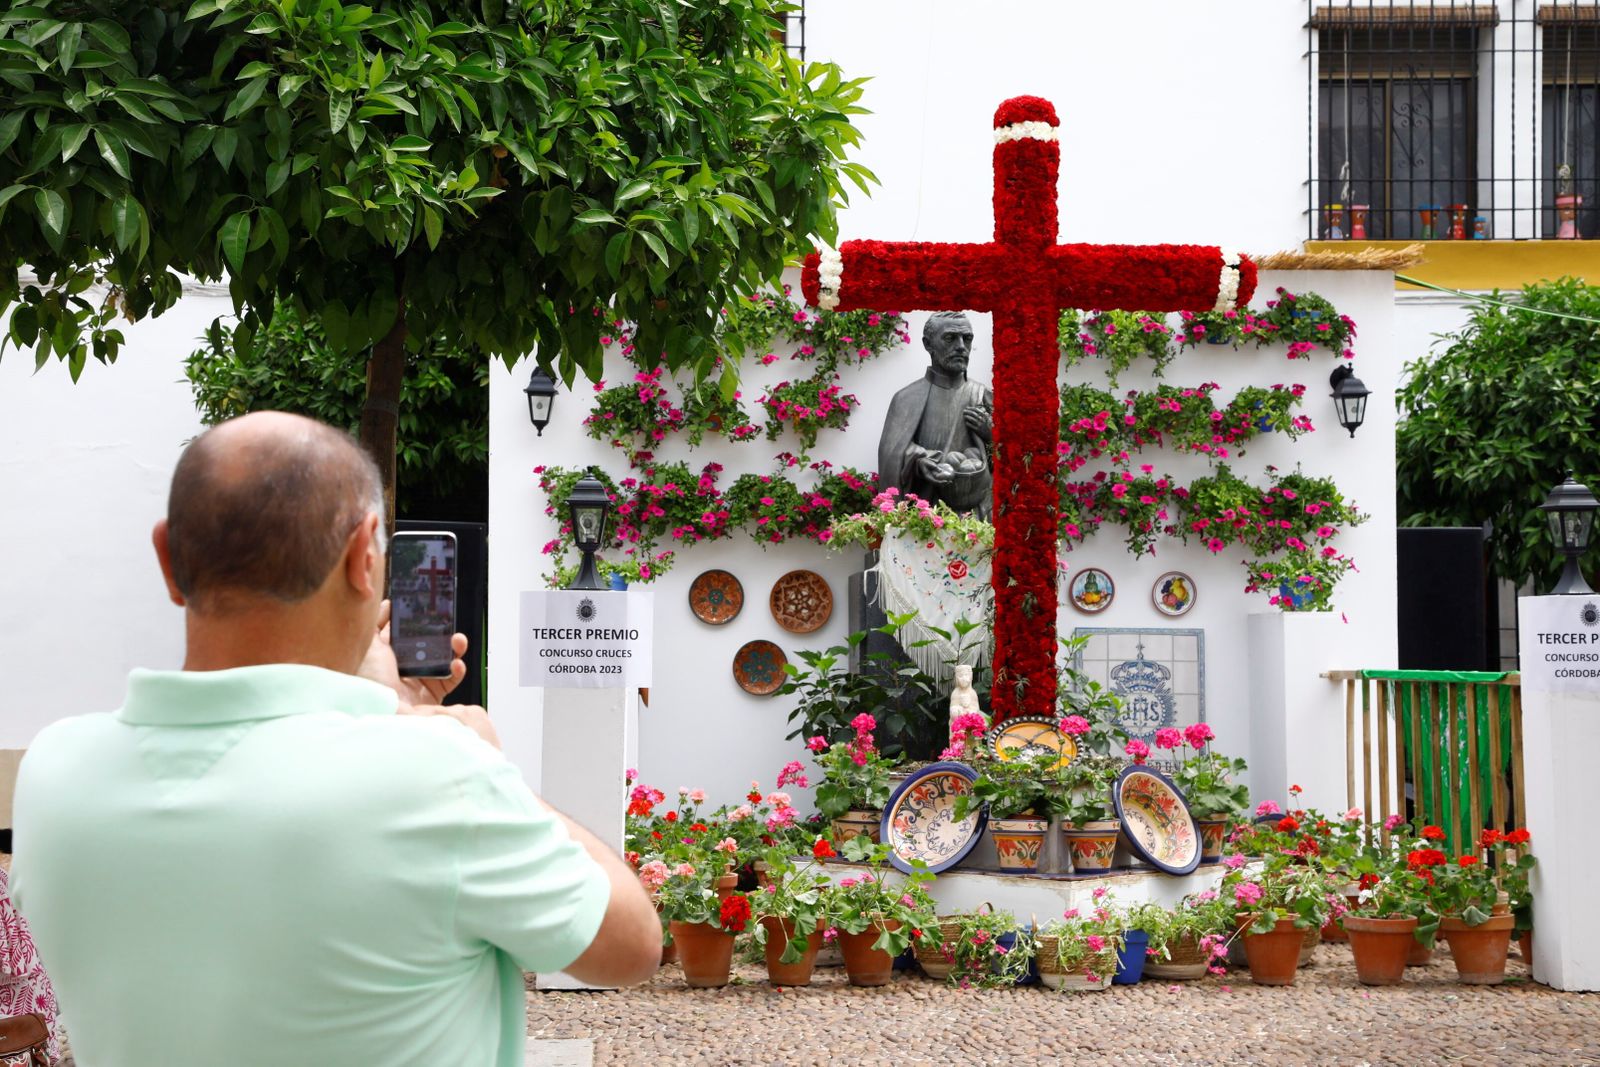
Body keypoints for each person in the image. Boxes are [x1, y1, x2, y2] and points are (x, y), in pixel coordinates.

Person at [9, 412, 660, 1067]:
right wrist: (448, 741)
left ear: (168, 558)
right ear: (366, 554)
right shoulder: (438, 772)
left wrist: (380, 712)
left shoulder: (54, 773)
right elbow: (633, 946)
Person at [876, 311, 994, 516]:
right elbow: (891, 455)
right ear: (928, 344)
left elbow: (1010, 463)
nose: (961, 346)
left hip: (978, 519)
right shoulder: (906, 399)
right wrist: (921, 460)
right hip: (925, 518)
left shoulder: (982, 396)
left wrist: (991, 434)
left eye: (967, 339)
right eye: (950, 338)